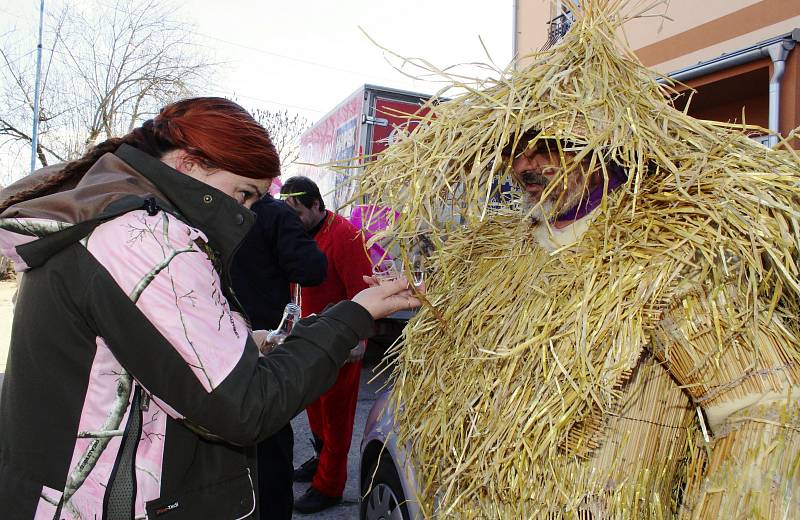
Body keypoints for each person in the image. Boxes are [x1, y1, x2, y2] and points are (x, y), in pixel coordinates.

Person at [0, 97, 421, 520]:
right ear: (188, 164)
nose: (245, 214)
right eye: (242, 194)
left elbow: (138, 354)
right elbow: (244, 406)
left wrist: (247, 344)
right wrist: (355, 315)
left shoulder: (113, 222)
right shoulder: (144, 239)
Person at [279, 176, 373, 514]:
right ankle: (321, 463)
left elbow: (363, 291)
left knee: (335, 420)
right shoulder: (297, 234)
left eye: (298, 213)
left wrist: (359, 339)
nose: (293, 221)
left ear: (317, 205)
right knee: (314, 409)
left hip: (340, 344)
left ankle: (330, 486)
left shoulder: (345, 236)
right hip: (307, 340)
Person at [230, 193, 327, 520]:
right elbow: (312, 268)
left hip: (211, 341)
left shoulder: (200, 204)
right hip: (263, 347)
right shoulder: (274, 215)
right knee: (269, 446)